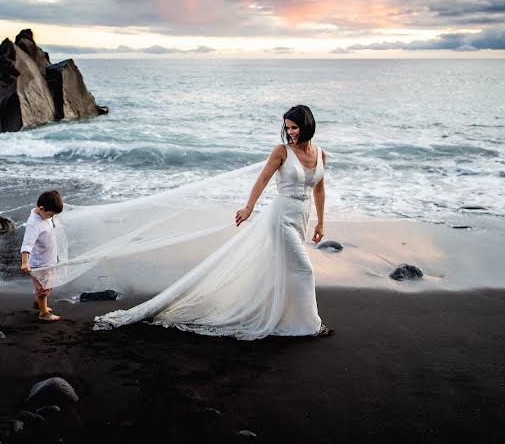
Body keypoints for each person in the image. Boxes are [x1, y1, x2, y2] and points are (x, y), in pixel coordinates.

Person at [93, 104, 332, 340]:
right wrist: (249, 207)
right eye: (288, 127)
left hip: (301, 216)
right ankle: (309, 325)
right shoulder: (282, 151)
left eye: (294, 127)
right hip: (280, 218)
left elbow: (319, 190)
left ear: (307, 125)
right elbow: (262, 180)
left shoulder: (320, 154)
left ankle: (285, 315)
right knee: (304, 270)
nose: (290, 132)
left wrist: (320, 223)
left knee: (287, 269)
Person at [20, 190, 64, 322]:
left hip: (48, 259)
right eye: (51, 215)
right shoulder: (34, 224)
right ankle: (43, 313)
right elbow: (27, 244)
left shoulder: (44, 216)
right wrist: (25, 262)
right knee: (43, 288)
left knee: (47, 285)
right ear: (41, 209)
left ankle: (39, 303)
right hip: (39, 263)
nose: (52, 217)